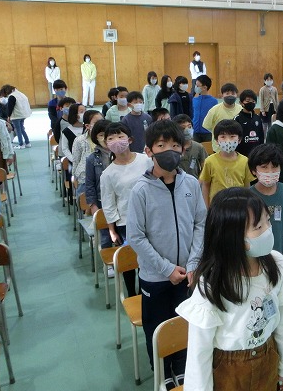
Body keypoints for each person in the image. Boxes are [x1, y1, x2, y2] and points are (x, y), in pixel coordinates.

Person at [176, 187, 283, 391]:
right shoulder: (212, 282)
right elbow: (199, 350)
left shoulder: (277, 264)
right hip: (229, 369)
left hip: (268, 357)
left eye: (268, 221)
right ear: (233, 238)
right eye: (258, 227)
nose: (268, 230)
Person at [127, 120, 206, 387]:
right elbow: (135, 236)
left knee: (184, 321)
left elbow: (200, 223)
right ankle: (161, 372)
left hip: (187, 274)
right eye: (161, 145)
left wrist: (193, 263)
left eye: (174, 145)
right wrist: (166, 268)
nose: (169, 151)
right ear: (149, 151)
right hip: (156, 277)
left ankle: (182, 367)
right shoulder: (140, 190)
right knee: (157, 326)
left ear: (182, 149)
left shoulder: (191, 184)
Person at [99, 122, 152, 296]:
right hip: (125, 223)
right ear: (107, 144)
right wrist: (112, 230)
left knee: (148, 260)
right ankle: (131, 295)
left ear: (130, 139)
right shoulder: (108, 173)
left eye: (120, 136)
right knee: (129, 261)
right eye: (111, 138)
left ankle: (145, 294)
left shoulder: (145, 160)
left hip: (150, 217)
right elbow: (108, 204)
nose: (116, 141)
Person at [248, 144, 283, 268]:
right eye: (264, 167)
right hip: (258, 256)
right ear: (253, 171)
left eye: (274, 167)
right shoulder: (249, 197)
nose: (270, 172)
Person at [199, 120, 253, 206]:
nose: (228, 141)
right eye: (223, 137)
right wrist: (207, 208)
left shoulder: (245, 161)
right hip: (217, 207)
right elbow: (205, 185)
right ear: (216, 140)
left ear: (239, 139)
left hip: (238, 207)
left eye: (232, 136)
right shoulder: (210, 161)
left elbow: (247, 186)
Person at [84, 120, 112, 268]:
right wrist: (93, 205)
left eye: (108, 134)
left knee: (121, 235)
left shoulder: (120, 154)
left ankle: (122, 259)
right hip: (102, 201)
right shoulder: (92, 159)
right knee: (105, 235)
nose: (105, 138)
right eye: (101, 135)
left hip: (119, 201)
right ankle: (109, 265)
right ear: (96, 137)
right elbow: (89, 184)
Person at [202, 83, 242, 152]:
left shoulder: (241, 109)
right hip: (218, 149)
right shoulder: (214, 110)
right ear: (222, 95)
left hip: (237, 148)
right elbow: (207, 126)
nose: (230, 95)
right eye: (227, 93)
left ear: (236, 95)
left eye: (233, 93)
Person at [71, 110, 103, 194]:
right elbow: (76, 160)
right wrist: (75, 177)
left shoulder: (107, 139)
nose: (100, 124)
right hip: (84, 178)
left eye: (102, 121)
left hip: (102, 178)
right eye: (96, 122)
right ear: (87, 126)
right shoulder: (80, 140)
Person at [1, 84, 32, 149]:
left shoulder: (12, 96)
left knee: (18, 130)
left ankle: (21, 144)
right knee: (22, 129)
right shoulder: (21, 94)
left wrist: (8, 116)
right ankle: (27, 143)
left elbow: (10, 108)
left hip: (16, 115)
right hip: (23, 114)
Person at [235, 90, 264, 157]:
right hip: (241, 155)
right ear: (241, 103)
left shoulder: (258, 118)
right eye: (247, 101)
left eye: (253, 101)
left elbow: (261, 137)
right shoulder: (237, 119)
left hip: (256, 155)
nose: (251, 103)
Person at [191, 75, 217, 143]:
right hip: (195, 132)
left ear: (204, 87)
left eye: (197, 86)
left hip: (208, 132)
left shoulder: (213, 101)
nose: (195, 87)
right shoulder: (194, 100)